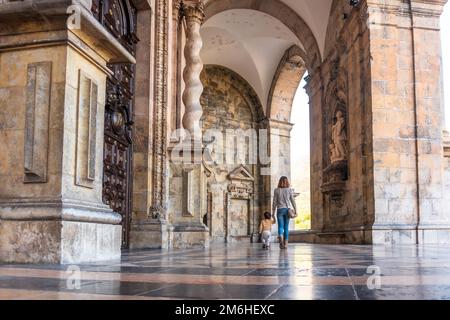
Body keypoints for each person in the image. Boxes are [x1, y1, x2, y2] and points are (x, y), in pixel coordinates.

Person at [272, 176, 297, 249]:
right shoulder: (289, 190)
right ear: (287, 182)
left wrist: (273, 213)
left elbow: (274, 202)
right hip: (287, 210)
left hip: (279, 210)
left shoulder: (276, 190)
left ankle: (280, 237)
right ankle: (285, 244)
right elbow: (292, 200)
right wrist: (295, 210)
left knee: (280, 227)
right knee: (286, 227)